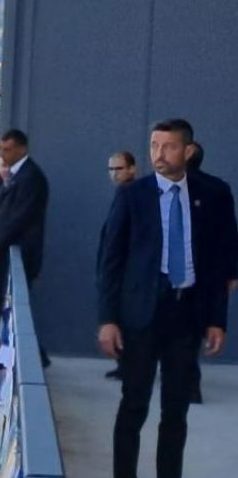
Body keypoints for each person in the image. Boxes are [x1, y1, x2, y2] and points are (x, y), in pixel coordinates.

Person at [97, 118, 233, 478]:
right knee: (133, 405)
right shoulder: (132, 196)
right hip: (141, 315)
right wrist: (108, 320)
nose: (159, 154)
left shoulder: (214, 194)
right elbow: (110, 261)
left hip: (186, 314)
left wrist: (216, 320)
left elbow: (221, 262)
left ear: (188, 151)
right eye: (155, 145)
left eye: (169, 147)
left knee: (176, 409)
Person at [185, 141, 238, 404]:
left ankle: (188, 384)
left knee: (187, 332)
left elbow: (228, 234)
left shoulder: (214, 190)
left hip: (197, 274)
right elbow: (229, 235)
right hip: (204, 275)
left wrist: (230, 271)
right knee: (190, 333)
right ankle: (188, 383)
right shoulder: (218, 189)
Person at [0, 129, 50, 302]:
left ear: (22, 150)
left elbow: (19, 219)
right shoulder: (13, 175)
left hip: (18, 253)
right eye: (1, 149)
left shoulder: (31, 177)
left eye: (8, 149)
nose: (3, 154)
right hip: (1, 254)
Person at [101, 151, 137, 380]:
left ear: (132, 169)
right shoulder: (122, 193)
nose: (114, 174)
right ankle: (123, 365)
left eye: (119, 169)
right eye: (111, 169)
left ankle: (128, 366)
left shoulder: (131, 194)